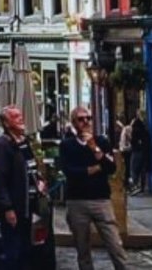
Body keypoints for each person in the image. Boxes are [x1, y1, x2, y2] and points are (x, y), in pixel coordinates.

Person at [58, 106, 131, 270]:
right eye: (81, 119)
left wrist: (95, 149)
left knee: (115, 244)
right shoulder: (67, 145)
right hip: (77, 201)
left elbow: (111, 168)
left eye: (88, 118)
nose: (86, 122)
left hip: (101, 200)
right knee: (82, 248)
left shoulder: (102, 142)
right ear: (73, 123)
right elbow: (69, 171)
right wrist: (93, 169)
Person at [0, 105, 42, 270]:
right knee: (13, 251)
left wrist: (39, 181)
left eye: (20, 115)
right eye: (15, 117)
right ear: (6, 123)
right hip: (15, 206)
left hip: (28, 206)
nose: (21, 119)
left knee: (25, 251)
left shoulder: (24, 143)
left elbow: (31, 168)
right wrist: (7, 208)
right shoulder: (2, 146)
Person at [129, 110, 152, 195]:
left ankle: (136, 186)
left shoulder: (137, 125)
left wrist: (135, 144)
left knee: (135, 169)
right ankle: (140, 186)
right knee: (140, 169)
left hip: (138, 150)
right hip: (142, 150)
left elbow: (134, 138)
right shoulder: (143, 125)